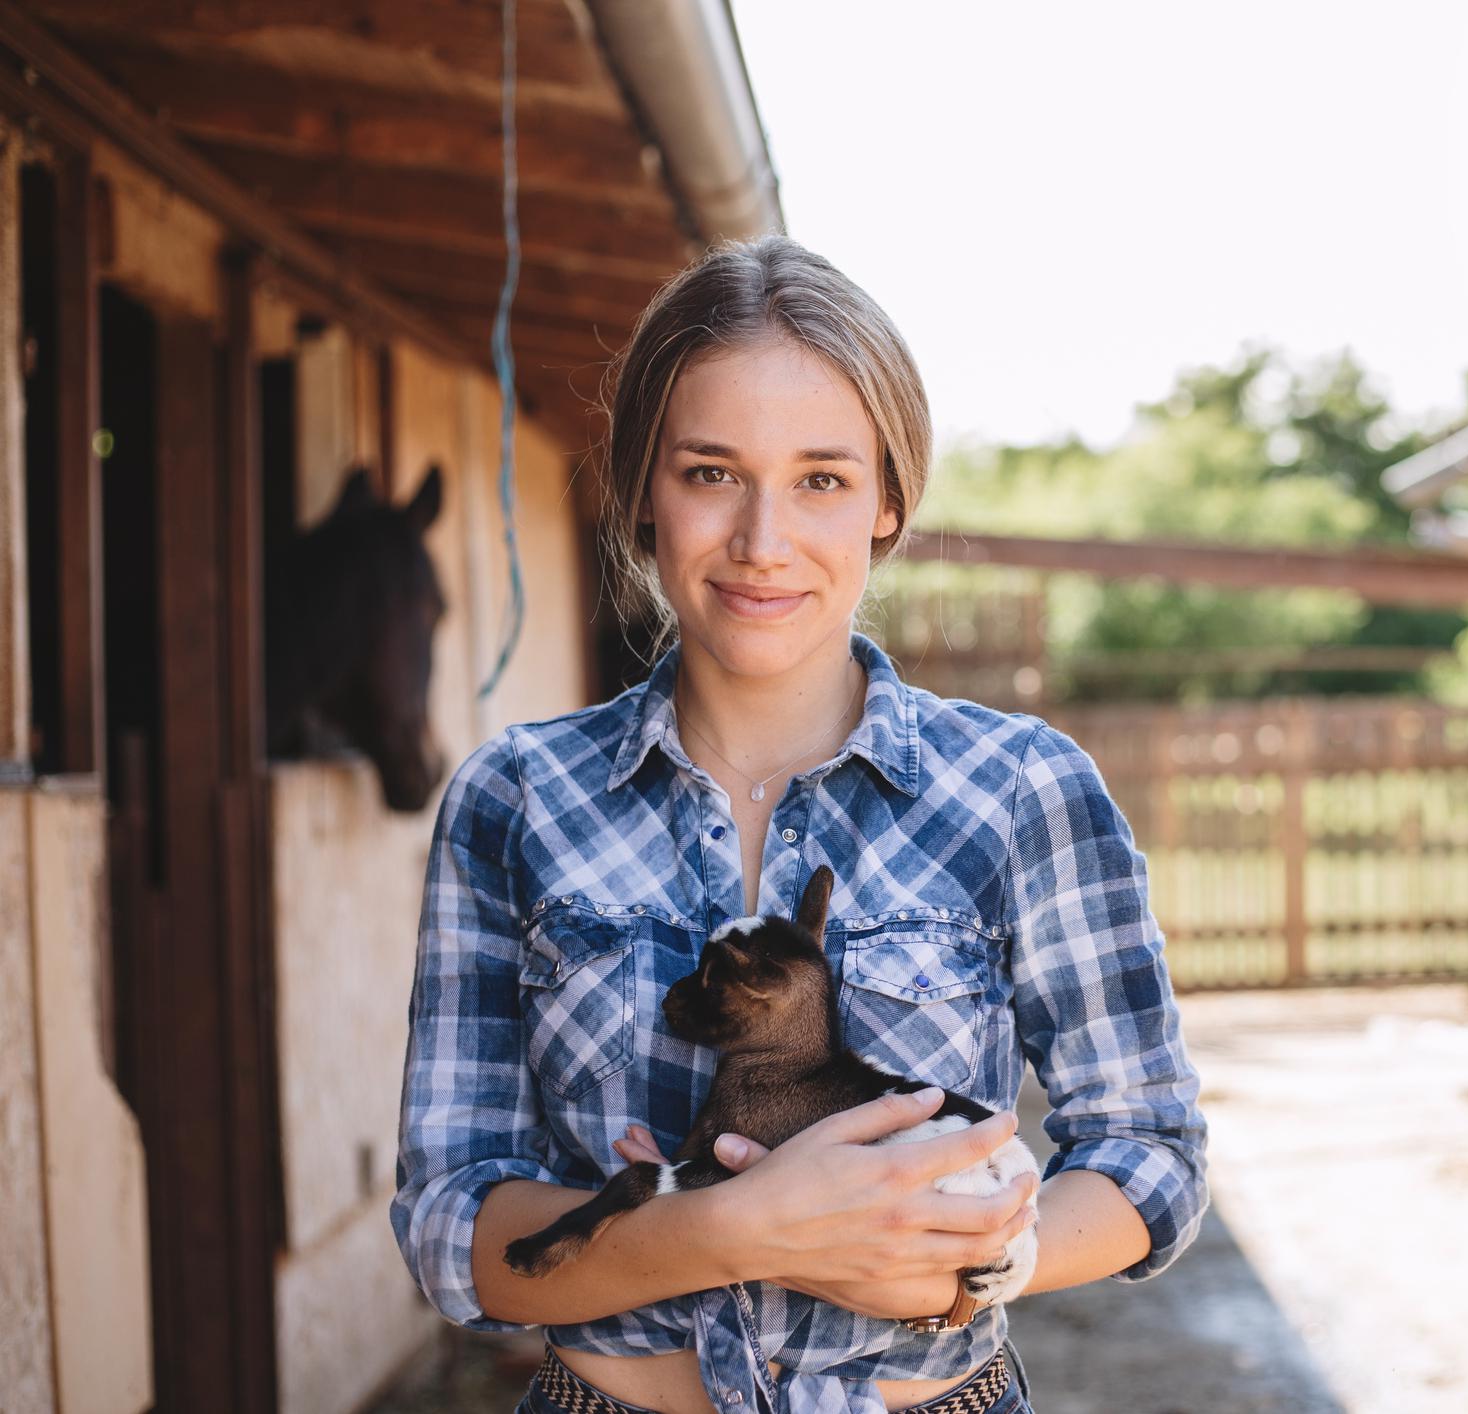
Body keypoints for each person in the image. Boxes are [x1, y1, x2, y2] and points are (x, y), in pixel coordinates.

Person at [391, 235, 1208, 1414]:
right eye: (711, 472)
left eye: (821, 477)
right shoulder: (516, 800)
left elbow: (1153, 1156)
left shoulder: (1025, 789)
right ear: (640, 491)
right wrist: (724, 1228)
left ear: (888, 498)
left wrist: (979, 1259)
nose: (763, 539)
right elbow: (449, 1217)